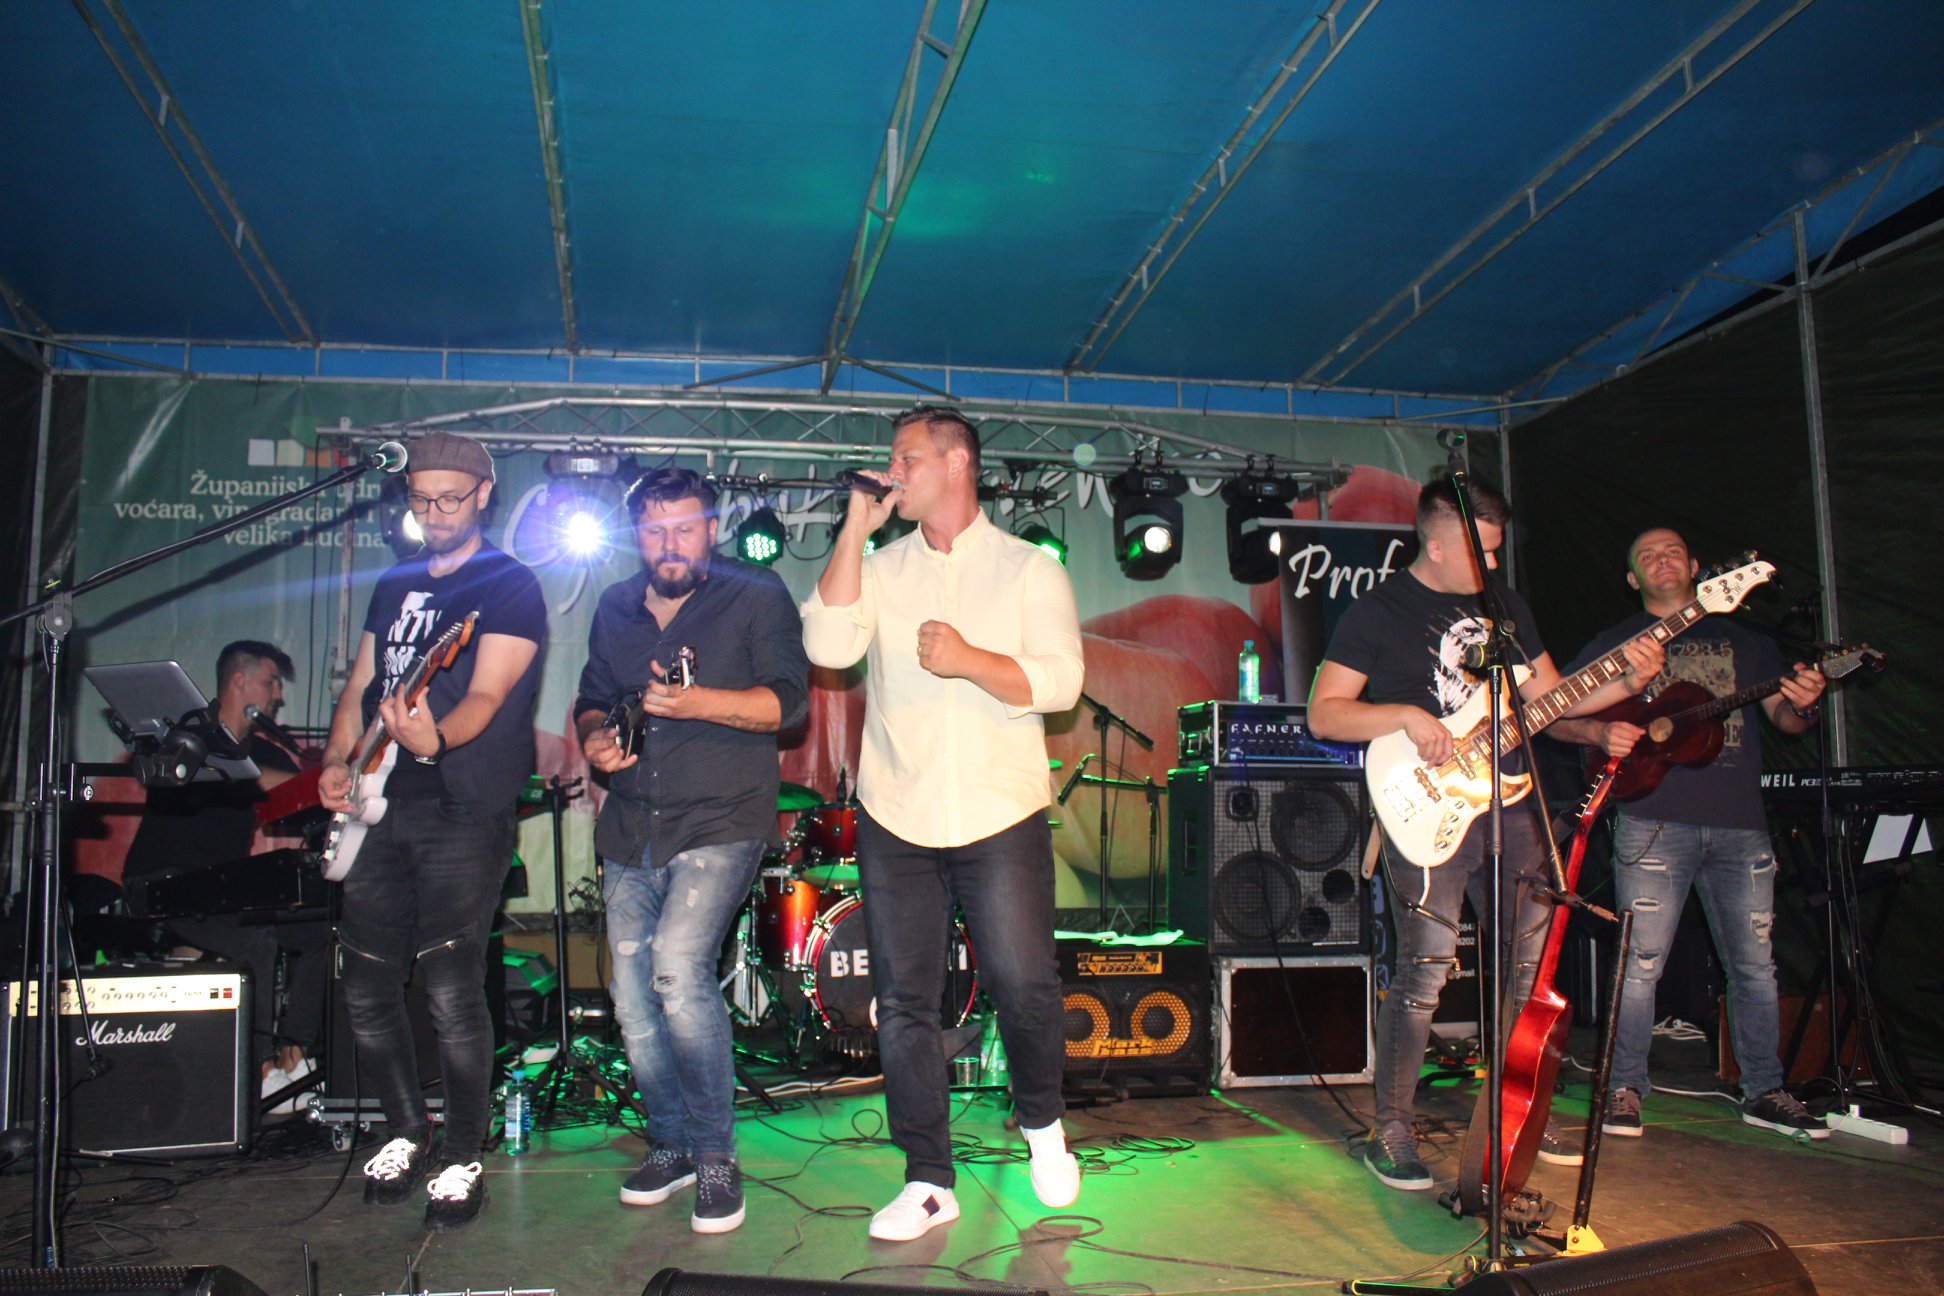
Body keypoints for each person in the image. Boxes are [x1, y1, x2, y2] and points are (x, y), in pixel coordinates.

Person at [1307, 477, 1663, 1192]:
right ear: (1438, 546)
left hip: (1513, 805)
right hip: (1428, 808)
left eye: (1498, 551)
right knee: (1425, 971)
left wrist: (1627, 682)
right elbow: (1325, 713)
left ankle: (1515, 1114)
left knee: (1528, 972)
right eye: (1484, 551)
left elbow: (1552, 699)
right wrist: (1403, 716)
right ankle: (1392, 1129)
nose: (1494, 565)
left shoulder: (1506, 608)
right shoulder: (1378, 610)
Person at [802, 405, 1086, 1241]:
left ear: (957, 462)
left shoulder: (1029, 568)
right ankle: (928, 1179)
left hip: (1000, 811)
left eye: (907, 458)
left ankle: (1042, 1123)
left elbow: (1063, 682)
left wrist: (970, 661)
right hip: (898, 813)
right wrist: (855, 528)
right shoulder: (880, 567)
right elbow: (826, 644)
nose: (893, 473)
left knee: (1023, 984)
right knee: (904, 1003)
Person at [318, 431, 547, 1233]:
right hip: (377, 802)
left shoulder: (509, 585)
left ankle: (460, 1151)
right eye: (421, 499)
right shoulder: (394, 582)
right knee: (366, 984)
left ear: (484, 494)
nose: (435, 512)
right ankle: (405, 1131)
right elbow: (361, 684)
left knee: (451, 986)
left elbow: (485, 695)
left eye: (450, 498)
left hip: (461, 805)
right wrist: (338, 760)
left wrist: (436, 737)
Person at [574, 467, 809, 1234]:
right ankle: (670, 1143)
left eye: (684, 528)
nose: (669, 544)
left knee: (677, 968)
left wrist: (697, 702)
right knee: (631, 997)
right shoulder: (615, 606)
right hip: (631, 825)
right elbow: (591, 697)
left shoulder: (755, 592)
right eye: (653, 531)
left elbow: (790, 703)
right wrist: (595, 739)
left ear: (712, 527)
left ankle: (714, 1155)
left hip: (722, 817)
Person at [1548, 527, 1828, 1139]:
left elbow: (1785, 718)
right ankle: (1623, 1087)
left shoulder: (1746, 639)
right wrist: (1598, 734)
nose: (1662, 560)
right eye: (1646, 556)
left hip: (1740, 825)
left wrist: (1806, 702)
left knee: (1754, 968)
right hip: (1652, 820)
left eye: (1672, 551)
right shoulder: (1615, 641)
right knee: (1639, 965)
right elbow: (1551, 713)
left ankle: (1765, 1090)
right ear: (1632, 579)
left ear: (1697, 566)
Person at [123, 640, 328, 1103]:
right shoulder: (186, 737)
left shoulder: (261, 751)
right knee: (255, 939)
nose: (278, 695)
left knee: (320, 928)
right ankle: (255, 1073)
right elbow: (250, 777)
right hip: (160, 886)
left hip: (218, 893)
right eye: (271, 682)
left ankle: (294, 1054)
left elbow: (298, 790)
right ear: (240, 681)